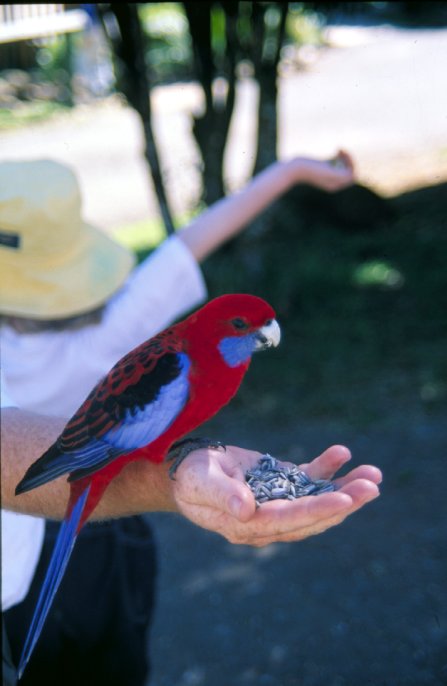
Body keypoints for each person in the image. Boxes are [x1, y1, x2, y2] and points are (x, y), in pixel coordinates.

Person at [0, 152, 356, 686]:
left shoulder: (148, 344)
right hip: (103, 530)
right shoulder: (126, 325)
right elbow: (188, 246)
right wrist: (290, 171)